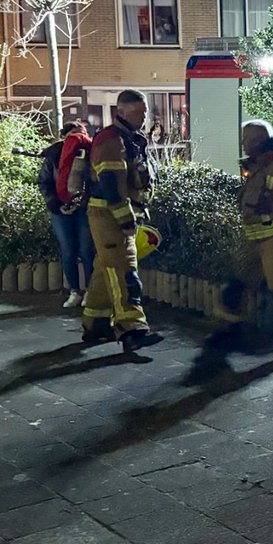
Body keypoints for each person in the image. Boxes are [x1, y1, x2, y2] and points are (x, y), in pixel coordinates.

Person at [212, 120, 273, 358]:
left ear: (258, 141)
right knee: (236, 285)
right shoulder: (258, 166)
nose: (242, 144)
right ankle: (230, 329)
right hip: (252, 241)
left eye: (246, 139)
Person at [82, 89, 160, 352]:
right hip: (110, 214)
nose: (143, 117)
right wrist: (126, 220)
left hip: (113, 213)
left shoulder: (129, 139)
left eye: (144, 112)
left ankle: (96, 322)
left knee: (107, 268)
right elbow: (111, 187)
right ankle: (132, 328)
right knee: (125, 270)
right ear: (121, 112)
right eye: (138, 113)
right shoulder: (112, 141)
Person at [38, 122, 96, 308]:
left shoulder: (91, 153)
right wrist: (56, 204)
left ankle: (90, 290)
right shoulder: (54, 155)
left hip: (84, 209)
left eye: (82, 134)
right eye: (73, 134)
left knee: (87, 250)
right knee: (69, 250)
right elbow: (44, 182)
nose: (78, 138)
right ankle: (74, 291)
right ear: (64, 137)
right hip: (60, 211)